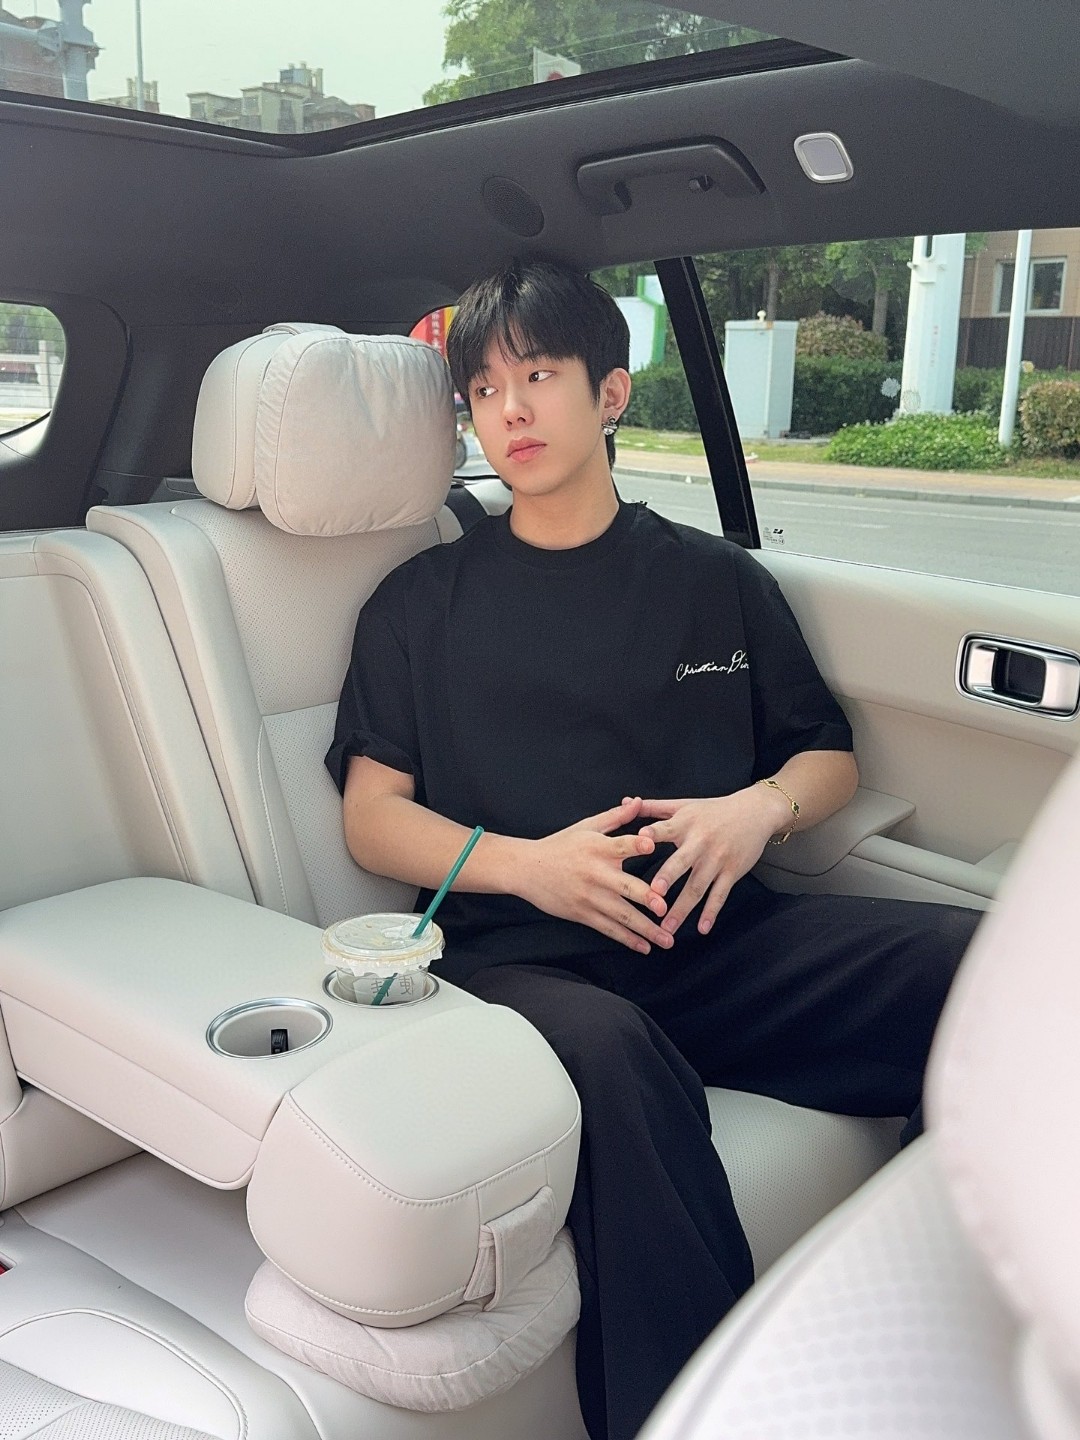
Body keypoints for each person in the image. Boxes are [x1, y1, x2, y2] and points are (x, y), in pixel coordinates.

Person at [325, 261, 979, 1440]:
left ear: (611, 394)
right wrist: (530, 865)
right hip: (520, 965)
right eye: (485, 391)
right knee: (619, 1055)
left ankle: (964, 1317)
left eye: (539, 376)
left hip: (721, 948)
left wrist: (755, 810)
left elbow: (824, 755)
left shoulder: (713, 582)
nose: (511, 411)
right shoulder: (419, 605)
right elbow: (373, 816)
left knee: (990, 968)